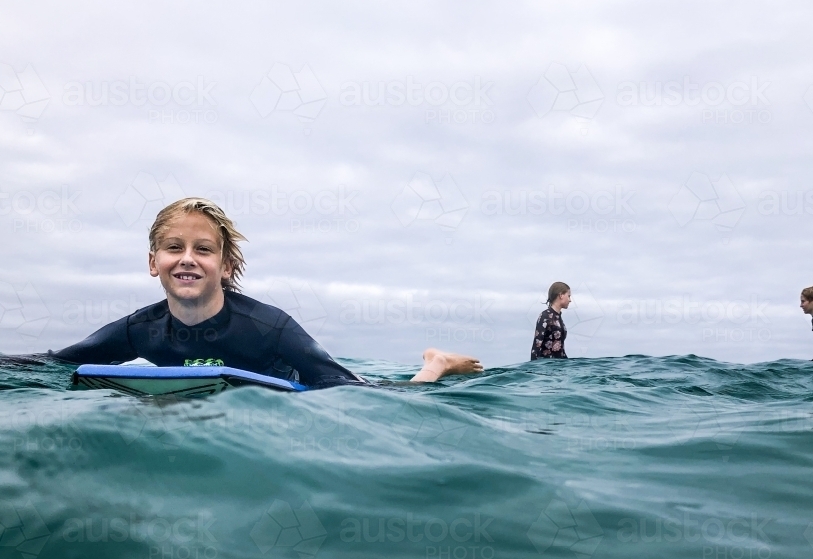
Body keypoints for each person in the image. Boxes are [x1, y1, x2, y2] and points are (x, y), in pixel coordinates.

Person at [49, 198, 482, 387]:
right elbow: (50, 366)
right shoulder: (139, 330)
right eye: (173, 248)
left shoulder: (269, 328)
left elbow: (348, 389)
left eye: (203, 250)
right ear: (152, 263)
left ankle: (434, 365)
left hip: (290, 389)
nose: (187, 259)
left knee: (388, 390)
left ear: (226, 266)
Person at [530, 282, 571, 360]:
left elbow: (561, 349)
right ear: (561, 295)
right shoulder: (545, 316)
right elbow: (536, 346)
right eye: (568, 296)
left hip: (560, 366)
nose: (570, 300)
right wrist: (533, 370)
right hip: (547, 367)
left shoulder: (559, 318)